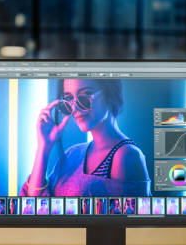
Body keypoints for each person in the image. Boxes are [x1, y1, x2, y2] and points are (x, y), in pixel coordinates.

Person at [21, 79, 151, 197]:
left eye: (86, 95)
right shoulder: (72, 154)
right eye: (69, 99)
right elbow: (35, 207)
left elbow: (126, 219)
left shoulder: (125, 156)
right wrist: (44, 146)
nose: (75, 107)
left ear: (110, 93)